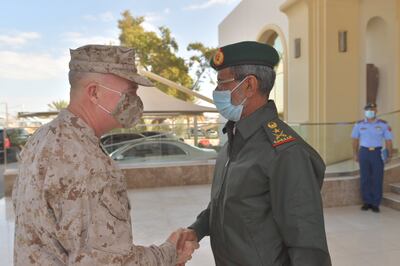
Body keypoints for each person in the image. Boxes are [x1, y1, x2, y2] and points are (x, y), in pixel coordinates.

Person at [12, 45, 198, 265]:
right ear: (94, 92)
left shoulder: (43, 137)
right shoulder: (87, 163)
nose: (135, 101)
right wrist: (169, 253)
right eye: (129, 93)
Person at [177, 41, 331, 265]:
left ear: (249, 85)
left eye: (222, 84)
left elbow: (308, 246)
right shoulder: (234, 139)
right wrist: (197, 229)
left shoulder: (285, 153)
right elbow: (226, 205)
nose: (216, 92)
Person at [351, 103, 393, 213]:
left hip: (377, 153)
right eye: (368, 109)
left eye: (372, 109)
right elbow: (355, 140)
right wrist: (355, 154)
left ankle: (375, 203)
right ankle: (366, 202)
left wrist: (389, 154)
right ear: (365, 111)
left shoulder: (383, 124)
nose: (370, 111)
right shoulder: (359, 125)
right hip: (364, 152)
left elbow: (388, 141)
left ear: (376, 111)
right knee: (365, 178)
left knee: (377, 178)